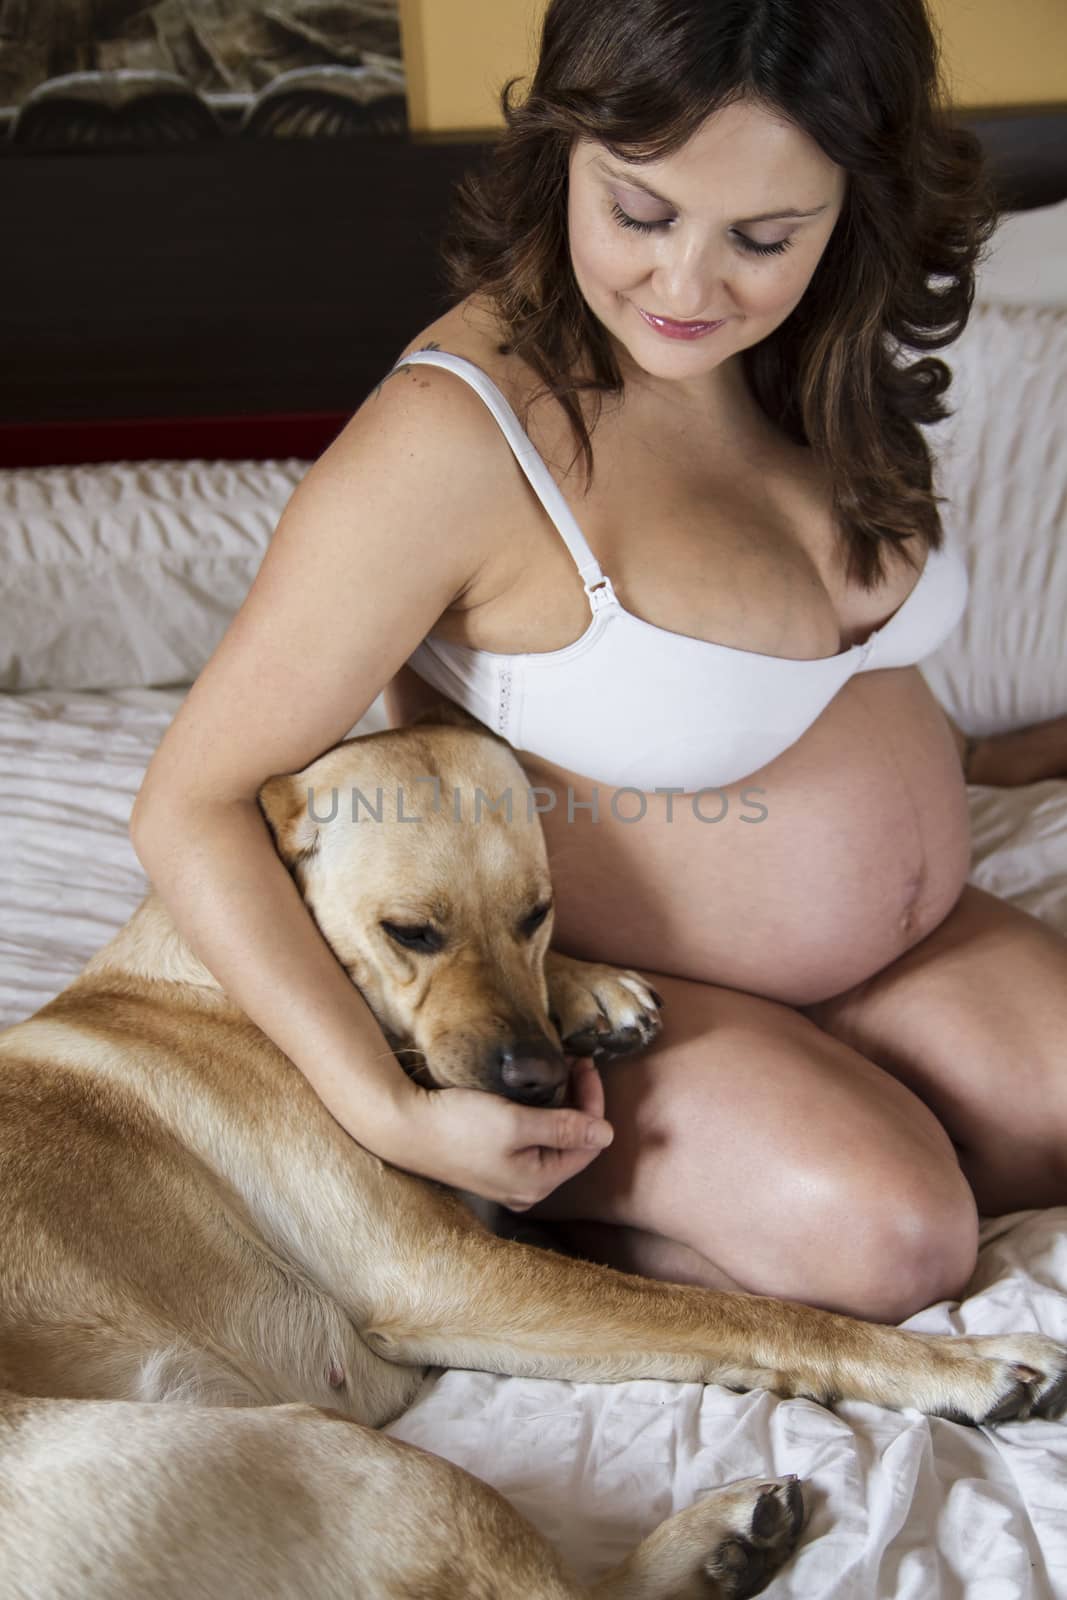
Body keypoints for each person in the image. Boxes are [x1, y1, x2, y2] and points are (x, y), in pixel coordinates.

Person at [131, 0, 1067, 1325]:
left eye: (762, 235)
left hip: (902, 947)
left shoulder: (808, 357)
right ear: (561, 152)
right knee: (901, 1241)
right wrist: (389, 1112)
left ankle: (828, 1096)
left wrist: (992, 764)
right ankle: (529, 1227)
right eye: (639, 213)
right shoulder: (456, 441)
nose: (687, 288)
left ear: (853, 206)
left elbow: (827, 681)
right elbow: (191, 804)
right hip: (614, 995)